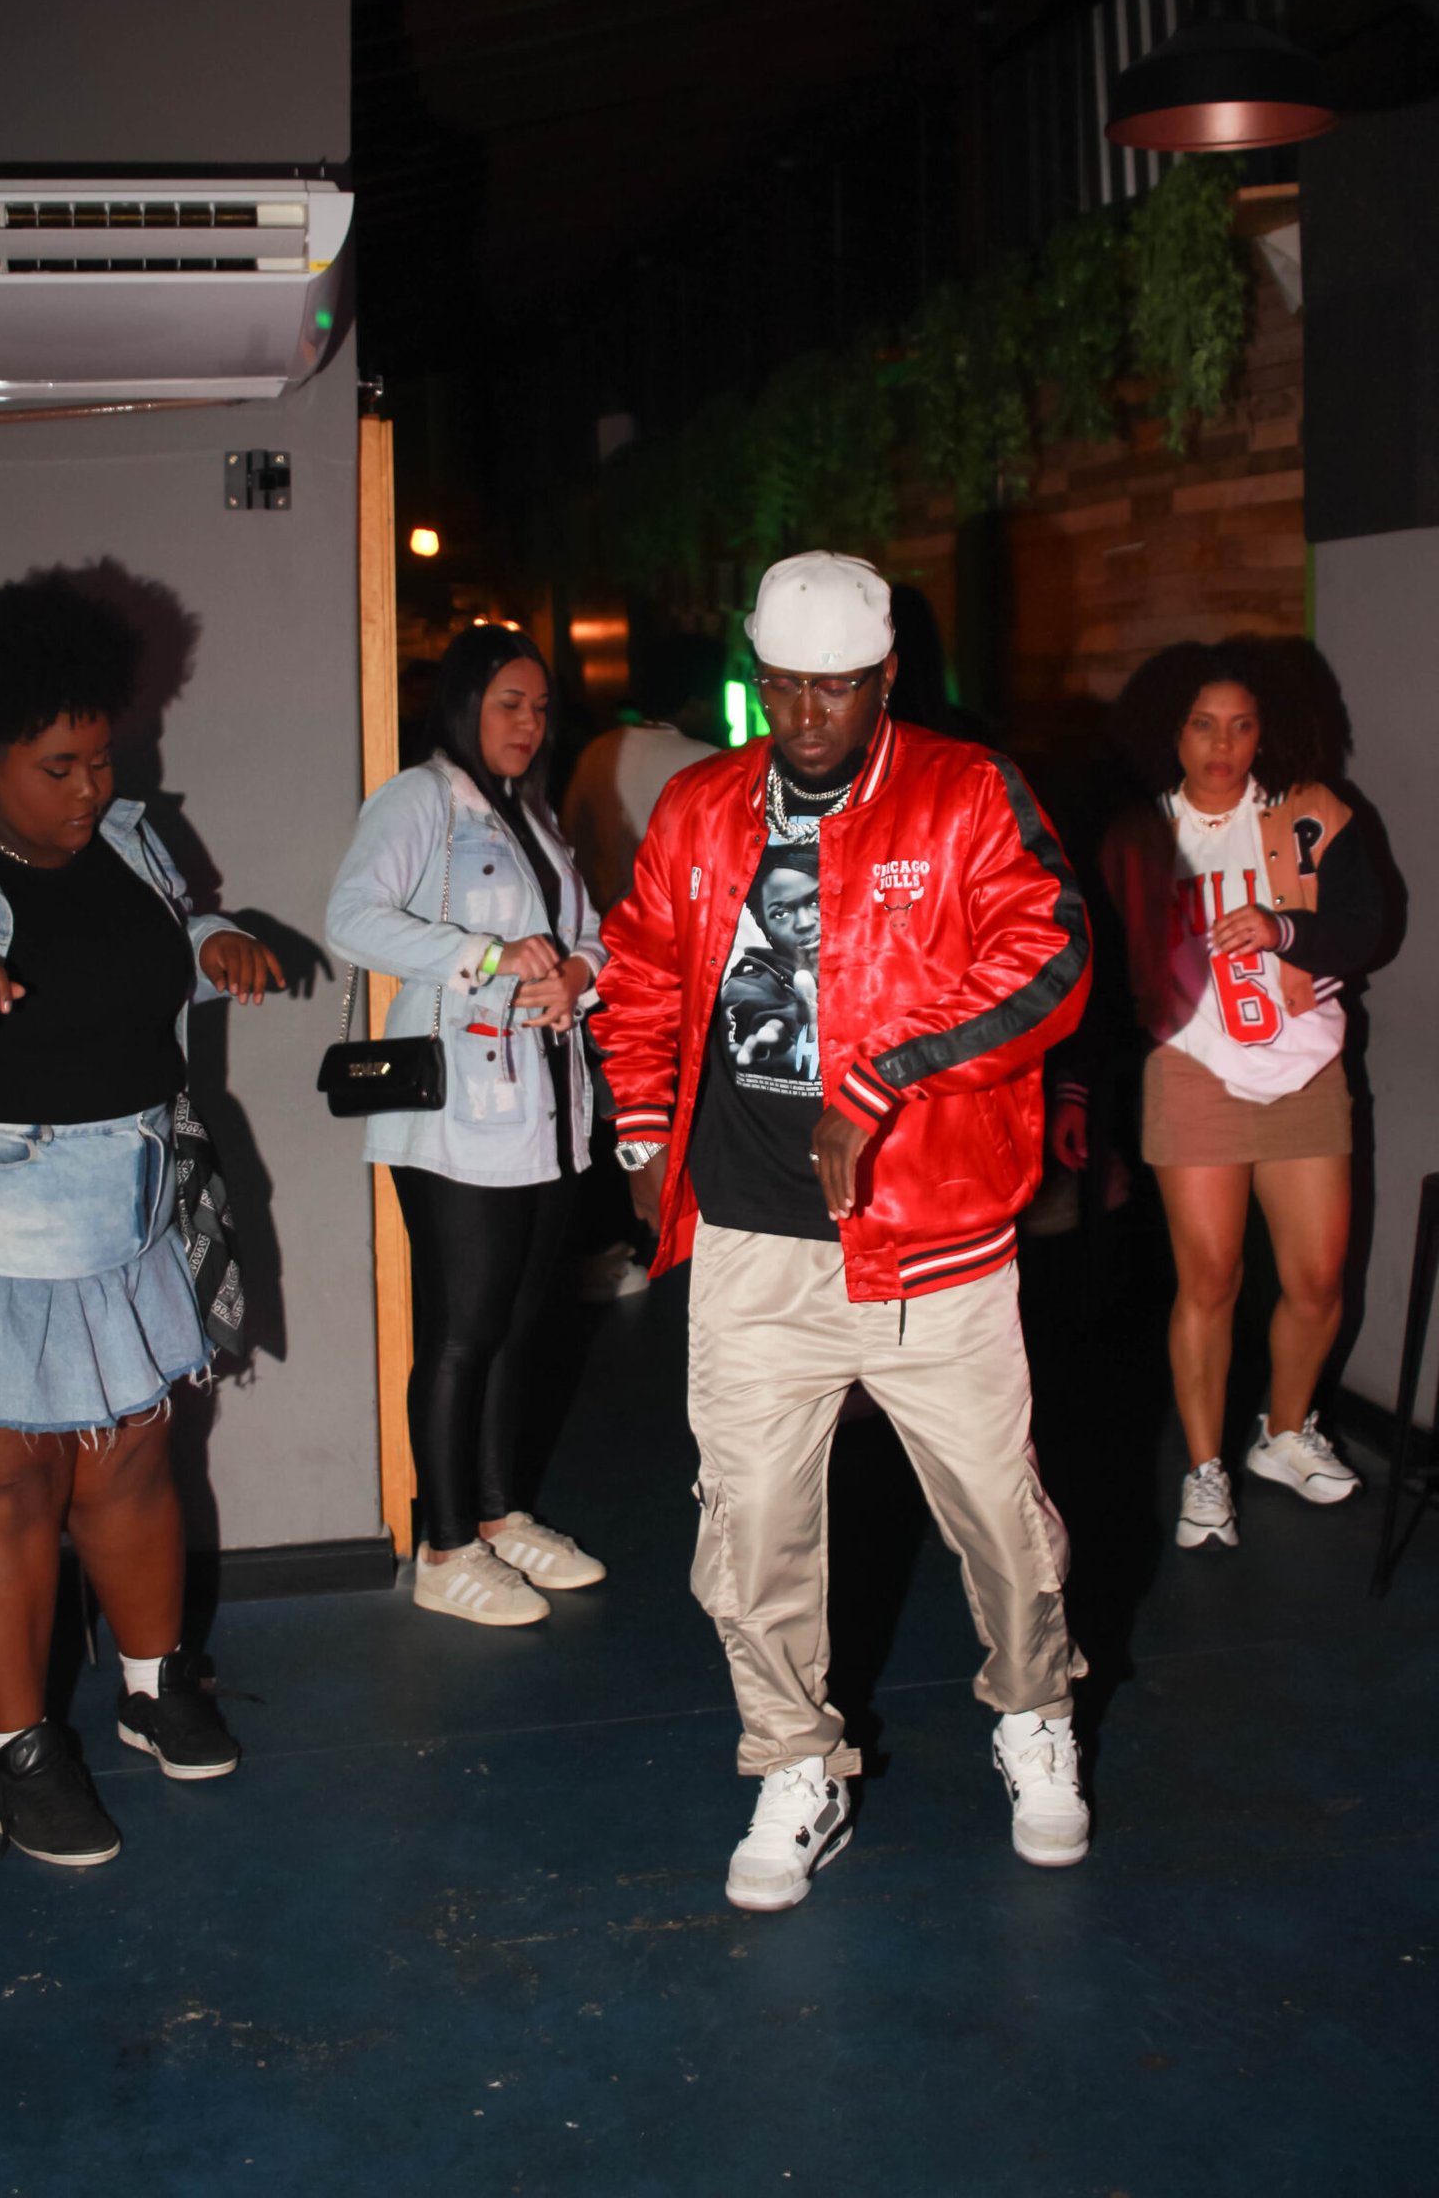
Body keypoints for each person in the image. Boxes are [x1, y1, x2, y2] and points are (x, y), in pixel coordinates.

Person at [595, 550, 1094, 1911]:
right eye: (782, 686)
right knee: (748, 1522)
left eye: (835, 688)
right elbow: (638, 971)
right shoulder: (701, 806)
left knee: (996, 1511)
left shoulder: (965, 792)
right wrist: (641, 1134)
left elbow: (1052, 957)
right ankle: (793, 1761)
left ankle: (1034, 1713)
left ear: (884, 681)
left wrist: (883, 1081)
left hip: (929, 1231)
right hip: (754, 1237)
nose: (805, 715)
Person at [0, 573, 284, 1869]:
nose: (92, 788)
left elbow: (144, 944)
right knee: (8, 1495)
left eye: (101, 758)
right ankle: (18, 1755)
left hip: (123, 1218)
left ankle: (152, 1684)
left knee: (133, 1469)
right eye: (60, 767)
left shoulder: (133, 842)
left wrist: (210, 942)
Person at [1049, 637, 1383, 1551]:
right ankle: (1205, 1471)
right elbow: (1090, 972)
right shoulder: (1134, 835)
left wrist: (1285, 928)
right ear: (1172, 731)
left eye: (1241, 725)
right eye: (1203, 725)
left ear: (1268, 731)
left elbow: (1369, 923)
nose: (1222, 745)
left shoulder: (1312, 814)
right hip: (1193, 1071)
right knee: (1210, 1279)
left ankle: (1284, 1434)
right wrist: (1074, 1086)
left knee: (1318, 1279)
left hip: (1305, 1067)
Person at [326, 626, 608, 1627]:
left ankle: (497, 1515)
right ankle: (445, 1546)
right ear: (463, 705)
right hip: (453, 1109)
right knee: (463, 1329)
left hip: (544, 1105)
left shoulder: (530, 810)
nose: (528, 724)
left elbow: (585, 933)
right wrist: (484, 958)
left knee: (519, 1325)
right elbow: (351, 918)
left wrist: (580, 972)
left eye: (540, 708)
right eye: (508, 705)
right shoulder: (421, 800)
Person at [560, 633, 722, 916]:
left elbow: (572, 842)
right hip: (682, 926)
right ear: (698, 703)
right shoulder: (710, 763)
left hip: (606, 922)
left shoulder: (598, 751)